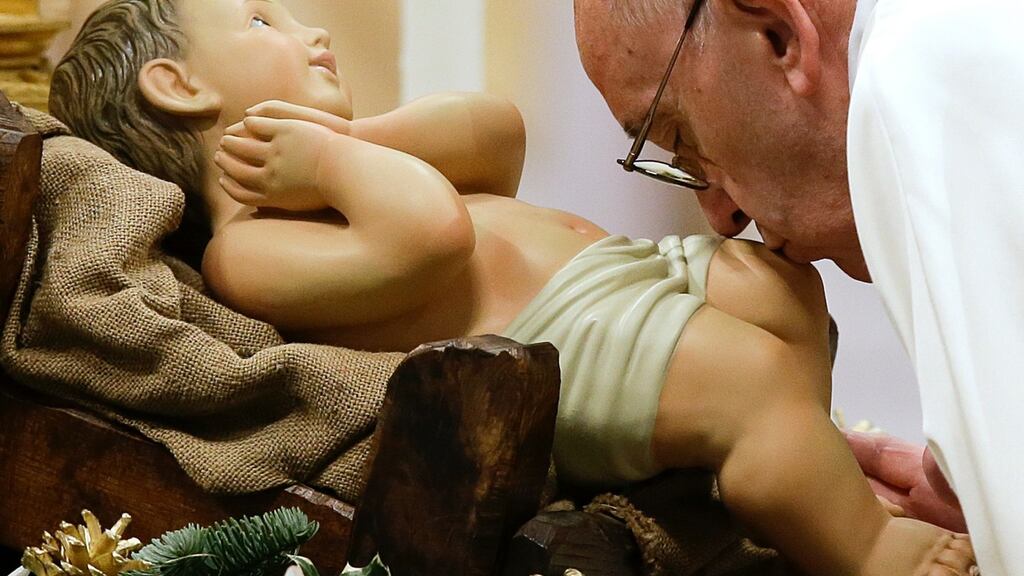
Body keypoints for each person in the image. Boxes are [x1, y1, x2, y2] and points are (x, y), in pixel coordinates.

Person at [51, 1, 976, 574]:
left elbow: (497, 135)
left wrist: (354, 140)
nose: (311, 31)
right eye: (262, 22)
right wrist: (334, 161)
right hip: (563, 345)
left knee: (783, 292)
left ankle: (794, 478)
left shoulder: (352, 162)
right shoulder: (250, 252)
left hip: (625, 284)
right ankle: (865, 550)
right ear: (175, 86)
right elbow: (432, 237)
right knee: (749, 391)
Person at [573, 0, 1023, 573]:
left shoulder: (919, 75)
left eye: (681, 136)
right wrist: (988, 502)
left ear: (778, 34)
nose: (720, 215)